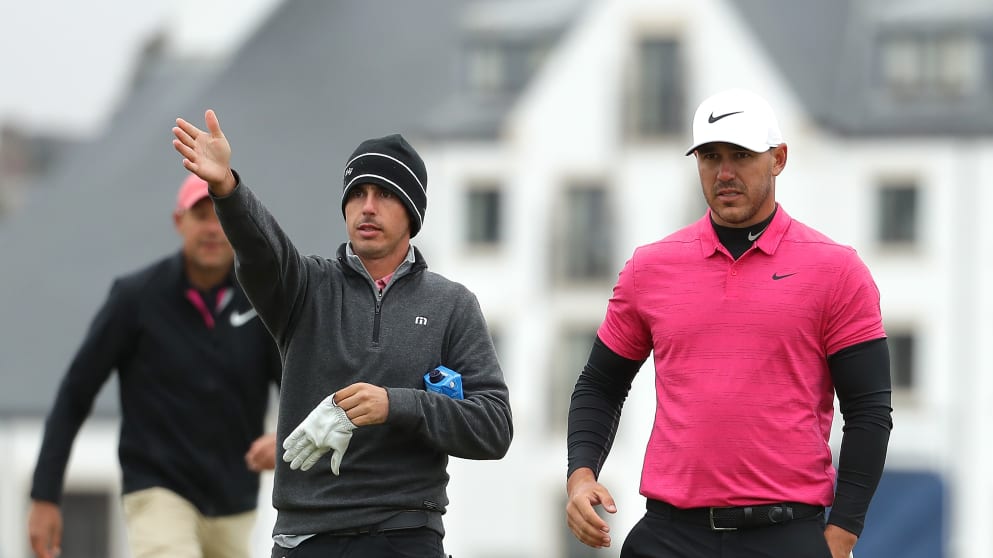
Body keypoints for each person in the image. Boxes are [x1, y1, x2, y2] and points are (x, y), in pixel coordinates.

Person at [565, 89, 893, 558]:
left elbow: (869, 412)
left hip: (786, 534)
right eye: (710, 156)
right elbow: (599, 384)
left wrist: (842, 535)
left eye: (741, 155)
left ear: (778, 159)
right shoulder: (650, 268)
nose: (724, 173)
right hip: (668, 535)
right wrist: (581, 477)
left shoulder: (836, 271)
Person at [171, 109, 513, 558]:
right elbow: (261, 249)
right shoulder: (304, 288)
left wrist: (395, 404)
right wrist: (227, 191)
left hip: (406, 532)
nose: (367, 206)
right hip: (308, 539)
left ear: (412, 213)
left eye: (385, 194)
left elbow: (493, 428)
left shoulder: (452, 305)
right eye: (358, 194)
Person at [28, 174, 282, 558]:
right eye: (200, 216)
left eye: (221, 217)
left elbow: (300, 383)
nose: (213, 229)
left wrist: (286, 440)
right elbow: (75, 394)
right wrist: (45, 494)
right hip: (158, 489)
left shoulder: (262, 302)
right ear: (179, 222)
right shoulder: (135, 298)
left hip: (236, 501)